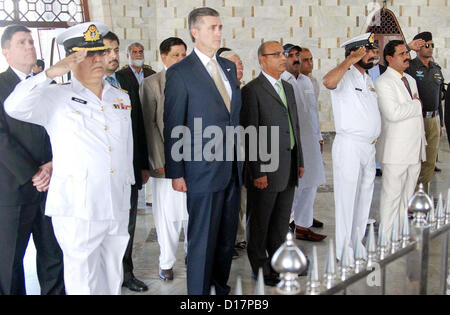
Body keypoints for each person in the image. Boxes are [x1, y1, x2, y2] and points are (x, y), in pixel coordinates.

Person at [5, 22, 134, 295]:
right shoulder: (55, 97)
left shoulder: (119, 98)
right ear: (71, 60)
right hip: (79, 207)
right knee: (82, 282)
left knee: (112, 275)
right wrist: (50, 73)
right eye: (88, 55)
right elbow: (13, 106)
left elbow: (124, 148)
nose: (98, 59)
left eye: (100, 53)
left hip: (115, 201)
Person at [163, 7, 242, 295]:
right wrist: (176, 171)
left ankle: (219, 288)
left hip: (232, 168)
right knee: (202, 238)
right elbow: (173, 124)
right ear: (195, 32)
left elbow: (233, 116)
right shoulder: (180, 72)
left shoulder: (228, 67)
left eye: (220, 26)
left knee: (225, 237)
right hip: (201, 169)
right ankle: (197, 294)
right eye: (212, 27)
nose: (219, 32)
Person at [0, 24, 65, 295]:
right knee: (10, 262)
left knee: (53, 257)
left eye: (31, 41)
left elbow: (59, 129)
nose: (29, 46)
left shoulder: (46, 85)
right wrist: (33, 173)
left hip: (51, 185)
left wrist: (52, 164)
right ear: (5, 52)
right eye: (21, 42)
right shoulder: (1, 86)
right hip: (15, 188)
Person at [241, 41, 304, 286]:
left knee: (280, 222)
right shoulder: (252, 90)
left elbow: (294, 127)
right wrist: (258, 170)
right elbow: (251, 133)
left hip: (288, 165)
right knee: (259, 221)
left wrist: (299, 160)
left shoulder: (287, 87)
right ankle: (259, 267)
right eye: (276, 54)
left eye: (283, 54)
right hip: (266, 168)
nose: (282, 57)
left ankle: (279, 263)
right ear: (262, 59)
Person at [323, 33, 381, 260]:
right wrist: (349, 61)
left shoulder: (367, 78)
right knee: (347, 199)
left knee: (364, 198)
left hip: (369, 147)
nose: (374, 55)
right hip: (350, 146)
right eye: (369, 51)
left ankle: (357, 244)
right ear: (355, 53)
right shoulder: (344, 75)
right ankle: (343, 250)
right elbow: (328, 82)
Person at [102, 31, 149, 292]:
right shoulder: (86, 85)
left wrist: (142, 164)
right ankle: (104, 277)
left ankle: (126, 273)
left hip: (127, 171)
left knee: (127, 226)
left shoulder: (124, 82)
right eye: (107, 50)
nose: (113, 55)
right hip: (99, 175)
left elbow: (137, 127)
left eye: (115, 50)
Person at [139, 37, 188, 281]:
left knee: (193, 213)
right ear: (163, 57)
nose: (180, 60)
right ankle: (166, 262)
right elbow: (149, 124)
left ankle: (193, 255)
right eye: (175, 55)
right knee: (168, 215)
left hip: (193, 161)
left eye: (183, 55)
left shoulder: (193, 81)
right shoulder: (152, 84)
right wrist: (159, 159)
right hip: (165, 163)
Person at [375, 40, 426, 238]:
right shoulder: (383, 82)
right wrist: (416, 104)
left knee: (406, 198)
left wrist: (421, 146)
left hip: (414, 149)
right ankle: (386, 240)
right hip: (396, 151)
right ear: (389, 58)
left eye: (407, 52)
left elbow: (415, 117)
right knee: (391, 197)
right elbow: (393, 113)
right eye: (402, 53)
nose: (407, 56)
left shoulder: (410, 80)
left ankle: (399, 235)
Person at [281, 43, 326, 242]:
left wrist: (319, 137)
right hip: (292, 143)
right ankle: (287, 224)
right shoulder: (282, 81)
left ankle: (303, 225)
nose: (296, 59)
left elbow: (313, 113)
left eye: (298, 54)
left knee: (311, 183)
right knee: (295, 187)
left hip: (310, 140)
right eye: (291, 55)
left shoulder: (307, 82)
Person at [405, 31, 445, 194]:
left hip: (433, 119)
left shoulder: (436, 69)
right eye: (426, 45)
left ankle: (424, 194)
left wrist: (441, 122)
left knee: (429, 161)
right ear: (418, 47)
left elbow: (439, 96)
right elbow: (389, 67)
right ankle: (411, 195)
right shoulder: (410, 67)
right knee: (415, 160)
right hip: (417, 120)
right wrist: (407, 47)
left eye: (432, 45)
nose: (430, 48)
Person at [117, 42, 154, 208]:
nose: (138, 55)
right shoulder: (120, 76)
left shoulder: (151, 73)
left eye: (140, 51)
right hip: (132, 123)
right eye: (134, 52)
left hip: (150, 122)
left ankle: (151, 197)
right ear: (127, 56)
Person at [217, 48, 246, 257]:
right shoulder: (218, 92)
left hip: (245, 152)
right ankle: (228, 241)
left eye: (241, 63)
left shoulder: (243, 89)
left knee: (241, 199)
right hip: (222, 154)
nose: (240, 67)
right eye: (236, 64)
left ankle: (239, 238)